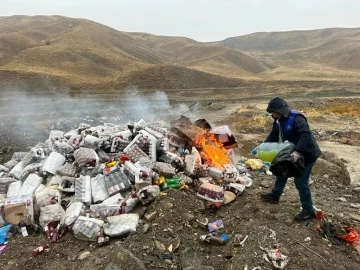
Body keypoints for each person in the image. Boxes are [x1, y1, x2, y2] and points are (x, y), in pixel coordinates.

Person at [260, 97, 322, 221]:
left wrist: (297, 152)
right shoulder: (277, 120)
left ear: (279, 110)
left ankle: (308, 210)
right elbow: (273, 135)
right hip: (291, 151)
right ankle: (275, 195)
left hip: (307, 154)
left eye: (273, 112)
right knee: (281, 170)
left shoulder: (296, 118)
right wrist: (263, 147)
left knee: (300, 181)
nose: (272, 114)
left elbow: (306, 135)